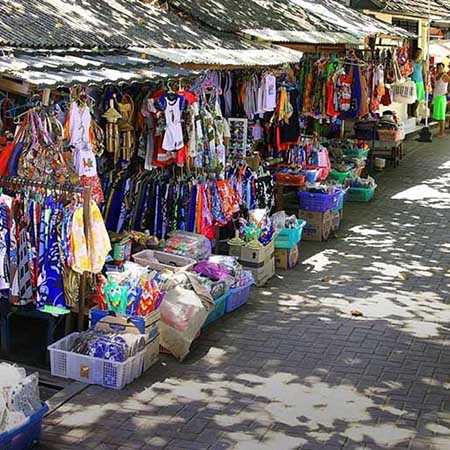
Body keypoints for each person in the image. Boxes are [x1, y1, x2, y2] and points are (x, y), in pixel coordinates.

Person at [432, 62, 450, 137]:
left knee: (442, 116)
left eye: (441, 67)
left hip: (442, 97)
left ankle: (442, 132)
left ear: (443, 68)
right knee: (438, 115)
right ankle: (440, 131)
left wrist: (448, 92)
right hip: (436, 97)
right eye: (438, 67)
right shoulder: (437, 75)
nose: (440, 69)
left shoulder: (445, 75)